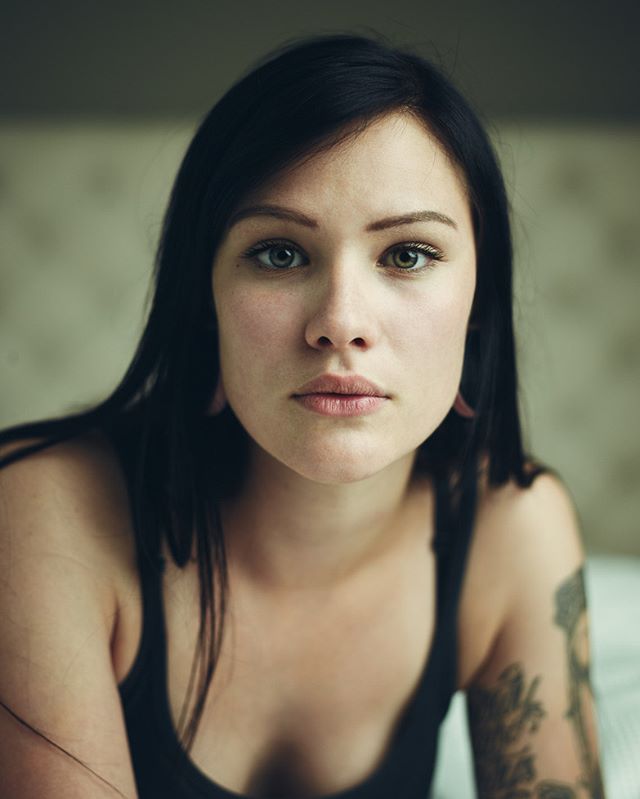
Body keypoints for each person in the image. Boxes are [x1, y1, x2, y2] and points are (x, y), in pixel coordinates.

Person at [0, 30, 605, 799]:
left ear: (478, 307)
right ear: (204, 303)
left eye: (408, 254)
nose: (341, 321)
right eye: (280, 253)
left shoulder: (509, 525)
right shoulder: (42, 515)